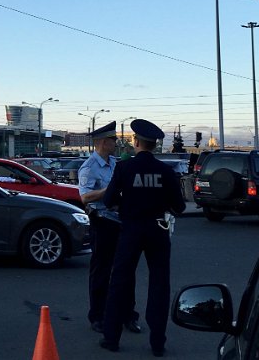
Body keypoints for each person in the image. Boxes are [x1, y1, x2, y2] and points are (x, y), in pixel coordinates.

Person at [99, 119, 186, 357]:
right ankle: (157, 343)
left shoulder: (124, 168)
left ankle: (111, 338)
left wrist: (125, 204)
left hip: (131, 230)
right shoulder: (166, 171)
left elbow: (108, 201)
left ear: (136, 142)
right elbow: (179, 206)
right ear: (154, 145)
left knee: (120, 282)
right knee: (159, 285)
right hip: (158, 230)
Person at [77, 121, 141, 336]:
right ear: (103, 142)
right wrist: (110, 190)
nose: (116, 142)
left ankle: (127, 315)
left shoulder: (116, 163)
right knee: (102, 272)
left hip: (121, 221)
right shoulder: (89, 167)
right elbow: (85, 197)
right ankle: (98, 316)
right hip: (102, 222)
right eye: (113, 139)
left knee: (127, 270)